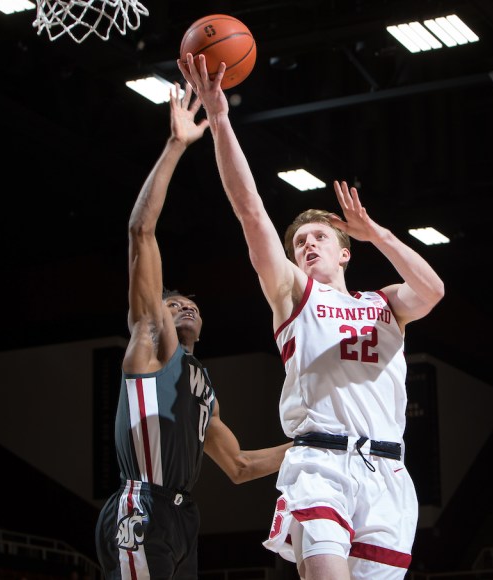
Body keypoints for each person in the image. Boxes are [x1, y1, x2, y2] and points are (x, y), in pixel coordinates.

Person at [179, 54, 445, 580]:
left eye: (319, 236)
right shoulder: (294, 295)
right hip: (320, 464)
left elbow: (433, 290)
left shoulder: (385, 303)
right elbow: (251, 209)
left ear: (345, 251)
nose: (307, 245)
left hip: (389, 472)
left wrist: (380, 234)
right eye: (299, 241)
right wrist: (221, 120)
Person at [94, 82, 292, 580]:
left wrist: (314, 445)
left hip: (184, 518)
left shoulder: (204, 388)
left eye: (190, 305)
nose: (182, 307)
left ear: (202, 322)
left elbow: (241, 466)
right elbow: (141, 232)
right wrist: (176, 145)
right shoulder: (151, 341)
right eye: (172, 303)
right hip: (140, 505)